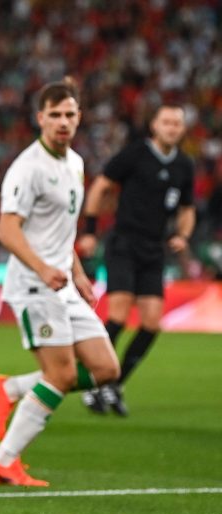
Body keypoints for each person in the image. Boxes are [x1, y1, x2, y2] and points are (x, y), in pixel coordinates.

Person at [0, 78, 121, 487]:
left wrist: (77, 273)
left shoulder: (74, 163)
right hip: (34, 284)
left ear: (79, 118)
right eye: (55, 114)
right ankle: (3, 460)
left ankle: (10, 389)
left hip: (63, 282)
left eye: (70, 114)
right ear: (40, 118)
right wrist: (43, 268)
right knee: (60, 375)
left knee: (105, 368)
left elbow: (61, 230)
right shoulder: (28, 168)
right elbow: (8, 230)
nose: (63, 122)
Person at [76, 104, 196, 416]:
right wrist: (89, 229)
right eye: (166, 121)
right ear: (154, 126)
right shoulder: (135, 154)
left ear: (182, 129)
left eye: (177, 123)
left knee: (152, 323)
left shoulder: (184, 165)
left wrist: (183, 235)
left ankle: (114, 384)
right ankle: (91, 379)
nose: (172, 127)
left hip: (154, 248)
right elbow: (101, 186)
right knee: (117, 315)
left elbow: (187, 208)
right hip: (124, 243)